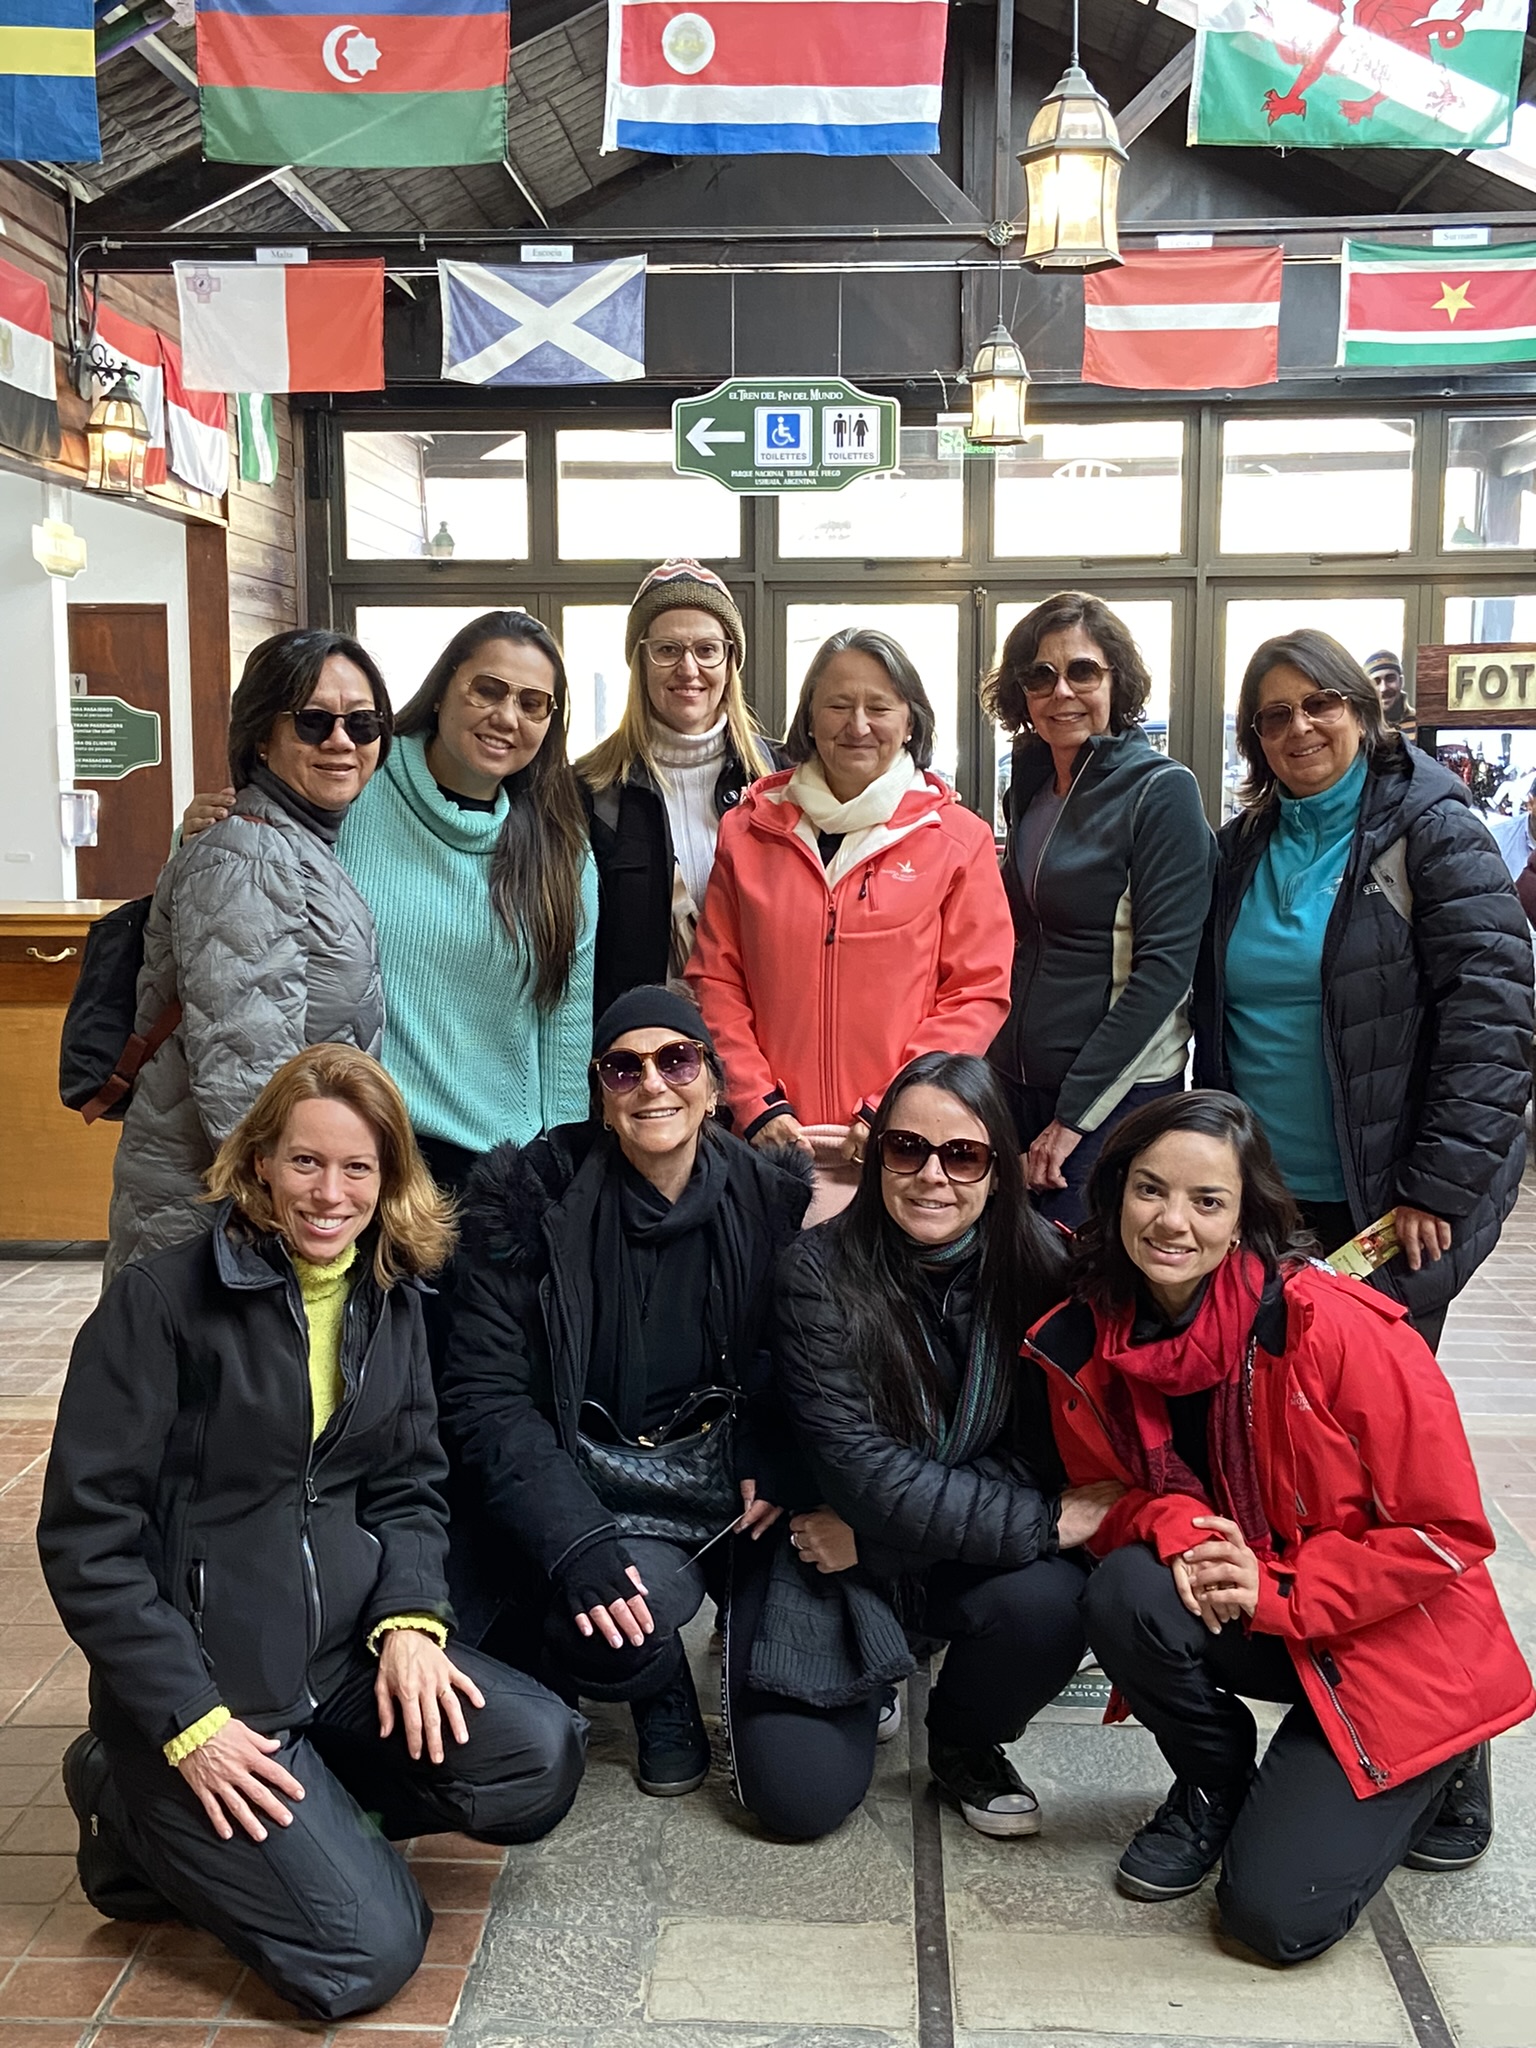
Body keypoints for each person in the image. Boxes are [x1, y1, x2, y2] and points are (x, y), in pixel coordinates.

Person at [38, 1045, 585, 2020]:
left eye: (357, 1167)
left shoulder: (390, 1296)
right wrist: (188, 1720)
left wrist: (410, 1620)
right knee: (366, 1956)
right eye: (305, 1161)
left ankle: (296, 1822)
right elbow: (89, 1543)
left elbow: (410, 1485)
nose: (331, 1193)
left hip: (337, 1657)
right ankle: (128, 1802)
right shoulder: (159, 1304)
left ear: (389, 1178)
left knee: (536, 1758)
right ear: (259, 1163)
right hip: (213, 1691)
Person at [1027, 1090, 1533, 1965]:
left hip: (1386, 1627)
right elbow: (1107, 1495)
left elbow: (1446, 1532)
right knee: (1126, 1590)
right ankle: (1214, 1784)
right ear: (1115, 1194)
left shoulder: (1337, 1328)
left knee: (1272, 1919)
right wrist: (1182, 1525)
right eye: (1150, 1189)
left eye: (1207, 1200)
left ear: (1244, 1217)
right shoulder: (1089, 1335)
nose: (1172, 1221)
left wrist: (1281, 1587)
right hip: (1257, 1601)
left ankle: (1452, 1750)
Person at [437, 986, 813, 1801]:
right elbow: (485, 1398)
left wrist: (775, 1449)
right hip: (585, 1481)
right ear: (601, 1098)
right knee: (594, 1630)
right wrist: (575, 1541)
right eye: (623, 1068)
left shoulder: (767, 1199)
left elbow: (791, 1357)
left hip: (721, 1481)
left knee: (796, 1782)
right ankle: (657, 1679)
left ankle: (726, 1651)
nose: (652, 1085)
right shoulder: (529, 1203)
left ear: (712, 1085)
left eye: (676, 1061)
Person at [768, 1052, 1122, 1842]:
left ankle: (964, 1741)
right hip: (828, 1547)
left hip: (870, 1542)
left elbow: (1042, 1457)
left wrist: (878, 1540)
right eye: (906, 1149)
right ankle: (877, 1659)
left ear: (998, 1170)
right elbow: (859, 1473)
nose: (932, 1176)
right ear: (877, 1158)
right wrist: (1040, 1522)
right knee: (796, 1799)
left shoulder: (1046, 1270)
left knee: (1053, 1602)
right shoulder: (814, 1274)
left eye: (962, 1155)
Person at [1194, 628, 1533, 1351]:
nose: (1300, 727)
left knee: (1365, 1393)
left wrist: (1437, 1188)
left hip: (1388, 1199)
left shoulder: (1434, 834)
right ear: (1257, 740)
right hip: (1263, 1194)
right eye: (1275, 716)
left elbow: (1493, 1026)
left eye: (1319, 703)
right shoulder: (1238, 849)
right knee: (1264, 1390)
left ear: (1360, 709)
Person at [185, 611, 597, 1195]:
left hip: (501, 1171)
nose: (507, 717)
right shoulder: (352, 779)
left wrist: (561, 1170)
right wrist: (193, 832)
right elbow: (247, 866)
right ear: (442, 688)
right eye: (488, 689)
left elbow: (564, 1025)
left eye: (533, 704)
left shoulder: (561, 848)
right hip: (359, 1158)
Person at [106, 630, 390, 1281]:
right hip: (220, 1221)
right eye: (313, 721)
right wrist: (306, 1213)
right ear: (263, 735)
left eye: (362, 723)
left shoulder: (298, 843)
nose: (341, 741)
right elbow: (245, 1076)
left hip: (259, 1207)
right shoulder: (247, 855)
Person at [687, 627, 1012, 1194]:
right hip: (769, 1144)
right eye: (837, 705)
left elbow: (975, 994)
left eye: (879, 707)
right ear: (809, 720)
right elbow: (717, 980)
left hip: (902, 1149)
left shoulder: (959, 839)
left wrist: (894, 1108)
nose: (858, 725)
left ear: (910, 722)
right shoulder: (748, 831)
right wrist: (755, 1102)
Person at [982, 592, 1216, 1228]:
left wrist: (1074, 1117)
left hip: (1112, 1096)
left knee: (1078, 1270)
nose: (1061, 691)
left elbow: (1164, 974)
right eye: (1040, 675)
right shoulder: (1032, 788)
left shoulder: (1161, 791)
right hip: (1018, 1085)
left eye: (1082, 671)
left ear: (1117, 680)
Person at [577, 559, 781, 1017]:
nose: (689, 669)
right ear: (640, 663)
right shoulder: (588, 791)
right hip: (639, 1047)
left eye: (707, 650)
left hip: (763, 1044)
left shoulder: (782, 780)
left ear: (730, 662)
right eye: (667, 650)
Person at [1363, 648, 1418, 740]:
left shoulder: (1420, 724)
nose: (1384, 688)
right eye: (1376, 681)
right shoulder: (1360, 728)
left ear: (1401, 681)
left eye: (1390, 679)